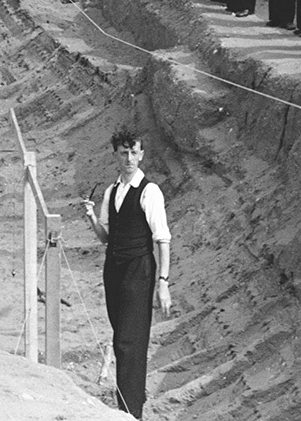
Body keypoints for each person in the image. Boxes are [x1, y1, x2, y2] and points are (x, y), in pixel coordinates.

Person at [81, 128, 171, 419]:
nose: (129, 158)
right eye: (124, 153)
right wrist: (93, 217)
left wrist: (163, 283)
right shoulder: (112, 190)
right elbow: (106, 237)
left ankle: (132, 412)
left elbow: (162, 239)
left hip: (138, 270)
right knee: (121, 337)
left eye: (134, 152)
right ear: (116, 156)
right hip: (114, 270)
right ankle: (125, 407)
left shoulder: (150, 191)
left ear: (141, 154)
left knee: (130, 341)